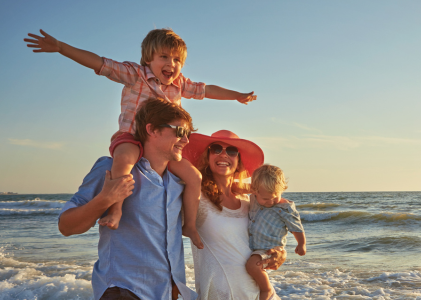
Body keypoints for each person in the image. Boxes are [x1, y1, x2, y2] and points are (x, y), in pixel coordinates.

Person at [26, 28, 258, 249]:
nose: (171, 64)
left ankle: (188, 225)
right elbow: (99, 62)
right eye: (164, 57)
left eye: (177, 60)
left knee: (194, 176)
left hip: (163, 147)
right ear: (148, 58)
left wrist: (236, 96)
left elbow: (207, 90)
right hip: (132, 136)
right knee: (124, 161)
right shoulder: (135, 74)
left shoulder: (179, 84)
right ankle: (116, 209)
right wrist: (60, 47)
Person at [58, 98, 197, 300]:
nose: (186, 140)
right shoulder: (110, 169)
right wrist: (105, 199)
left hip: (165, 293)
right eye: (180, 132)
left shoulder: (179, 183)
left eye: (188, 134)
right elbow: (65, 226)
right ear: (152, 130)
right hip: (122, 290)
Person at [183, 130, 286, 300]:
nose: (223, 155)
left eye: (231, 151)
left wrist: (279, 252)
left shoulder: (249, 201)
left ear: (238, 161)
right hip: (220, 294)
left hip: (260, 294)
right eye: (216, 149)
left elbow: (270, 231)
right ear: (207, 156)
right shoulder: (196, 196)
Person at [246, 164, 307, 300]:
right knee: (253, 267)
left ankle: (266, 289)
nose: (271, 202)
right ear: (255, 191)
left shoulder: (284, 208)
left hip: (270, 248)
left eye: (275, 197)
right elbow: (238, 188)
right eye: (266, 199)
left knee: (252, 265)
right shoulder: (253, 198)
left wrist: (301, 244)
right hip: (255, 247)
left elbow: (296, 226)